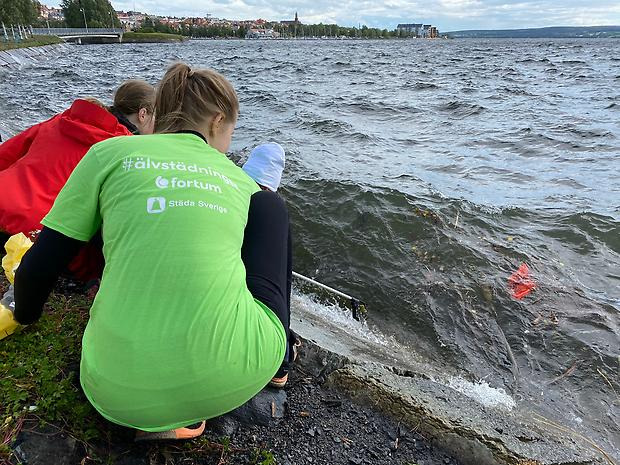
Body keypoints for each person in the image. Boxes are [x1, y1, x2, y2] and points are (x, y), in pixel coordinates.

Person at [13, 63, 292, 441]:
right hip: (232, 376)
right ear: (218, 121)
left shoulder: (108, 154)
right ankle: (280, 363)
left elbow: (41, 264)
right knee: (270, 209)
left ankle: (149, 411)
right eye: (230, 132)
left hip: (111, 390)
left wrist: (26, 316)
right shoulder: (243, 183)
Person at [0, 81, 155, 280]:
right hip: (41, 233)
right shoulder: (125, 147)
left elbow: (6, 153)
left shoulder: (61, 119)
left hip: (4, 207)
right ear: (143, 114)